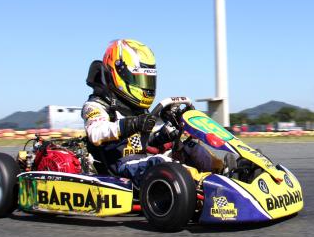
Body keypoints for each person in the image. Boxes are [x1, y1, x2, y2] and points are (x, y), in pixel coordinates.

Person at [82, 39, 223, 186]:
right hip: (120, 166)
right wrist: (131, 124)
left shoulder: (135, 107)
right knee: (164, 163)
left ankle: (226, 173)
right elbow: (96, 133)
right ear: (118, 74)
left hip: (142, 159)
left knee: (190, 147)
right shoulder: (96, 105)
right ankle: (208, 185)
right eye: (139, 79)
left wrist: (164, 134)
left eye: (147, 80)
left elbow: (143, 141)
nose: (145, 86)